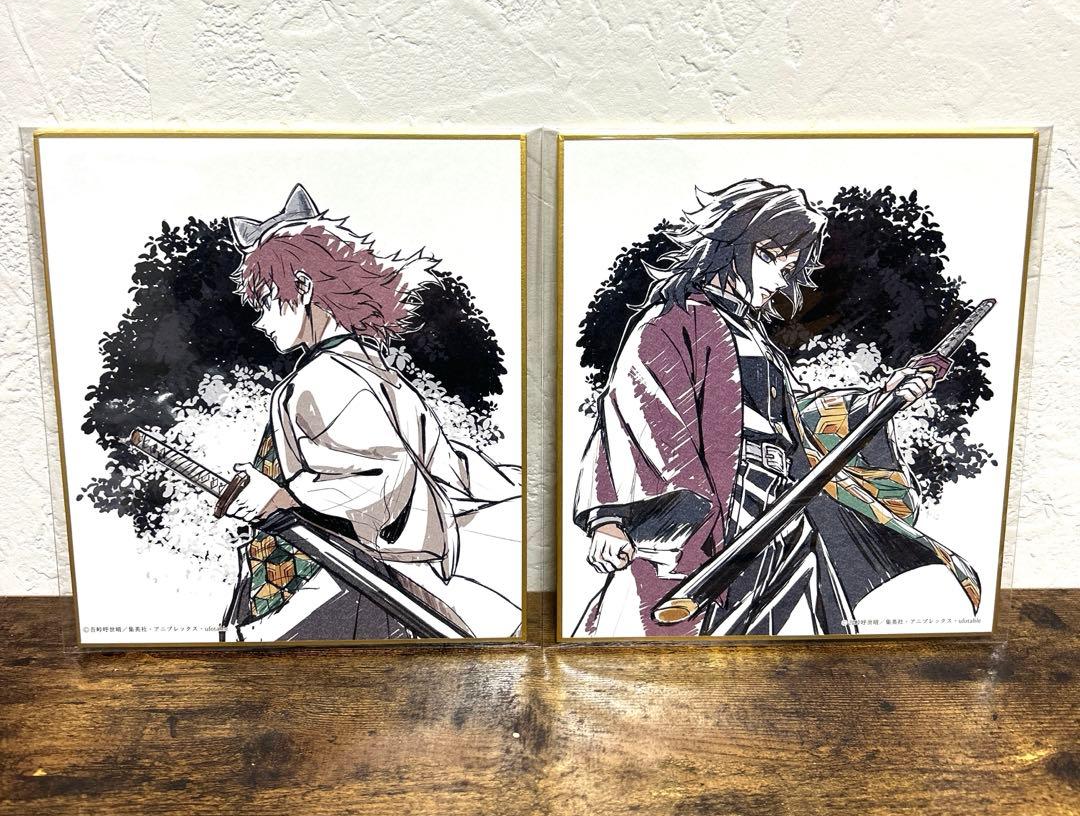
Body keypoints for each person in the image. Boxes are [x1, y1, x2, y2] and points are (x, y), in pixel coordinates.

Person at [572, 179, 981, 637]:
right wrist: (610, 519)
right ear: (731, 244)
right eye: (770, 259)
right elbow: (634, 420)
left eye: (788, 270)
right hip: (705, 524)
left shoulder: (756, 340)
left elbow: (796, 424)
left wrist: (882, 398)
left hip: (781, 514)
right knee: (661, 641)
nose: (778, 283)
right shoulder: (671, 323)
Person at [220, 183, 521, 640]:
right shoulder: (376, 370)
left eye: (266, 301)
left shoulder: (321, 379)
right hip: (403, 581)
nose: (261, 321)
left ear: (303, 288)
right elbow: (437, 470)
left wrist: (283, 498)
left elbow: (385, 483)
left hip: (382, 588)